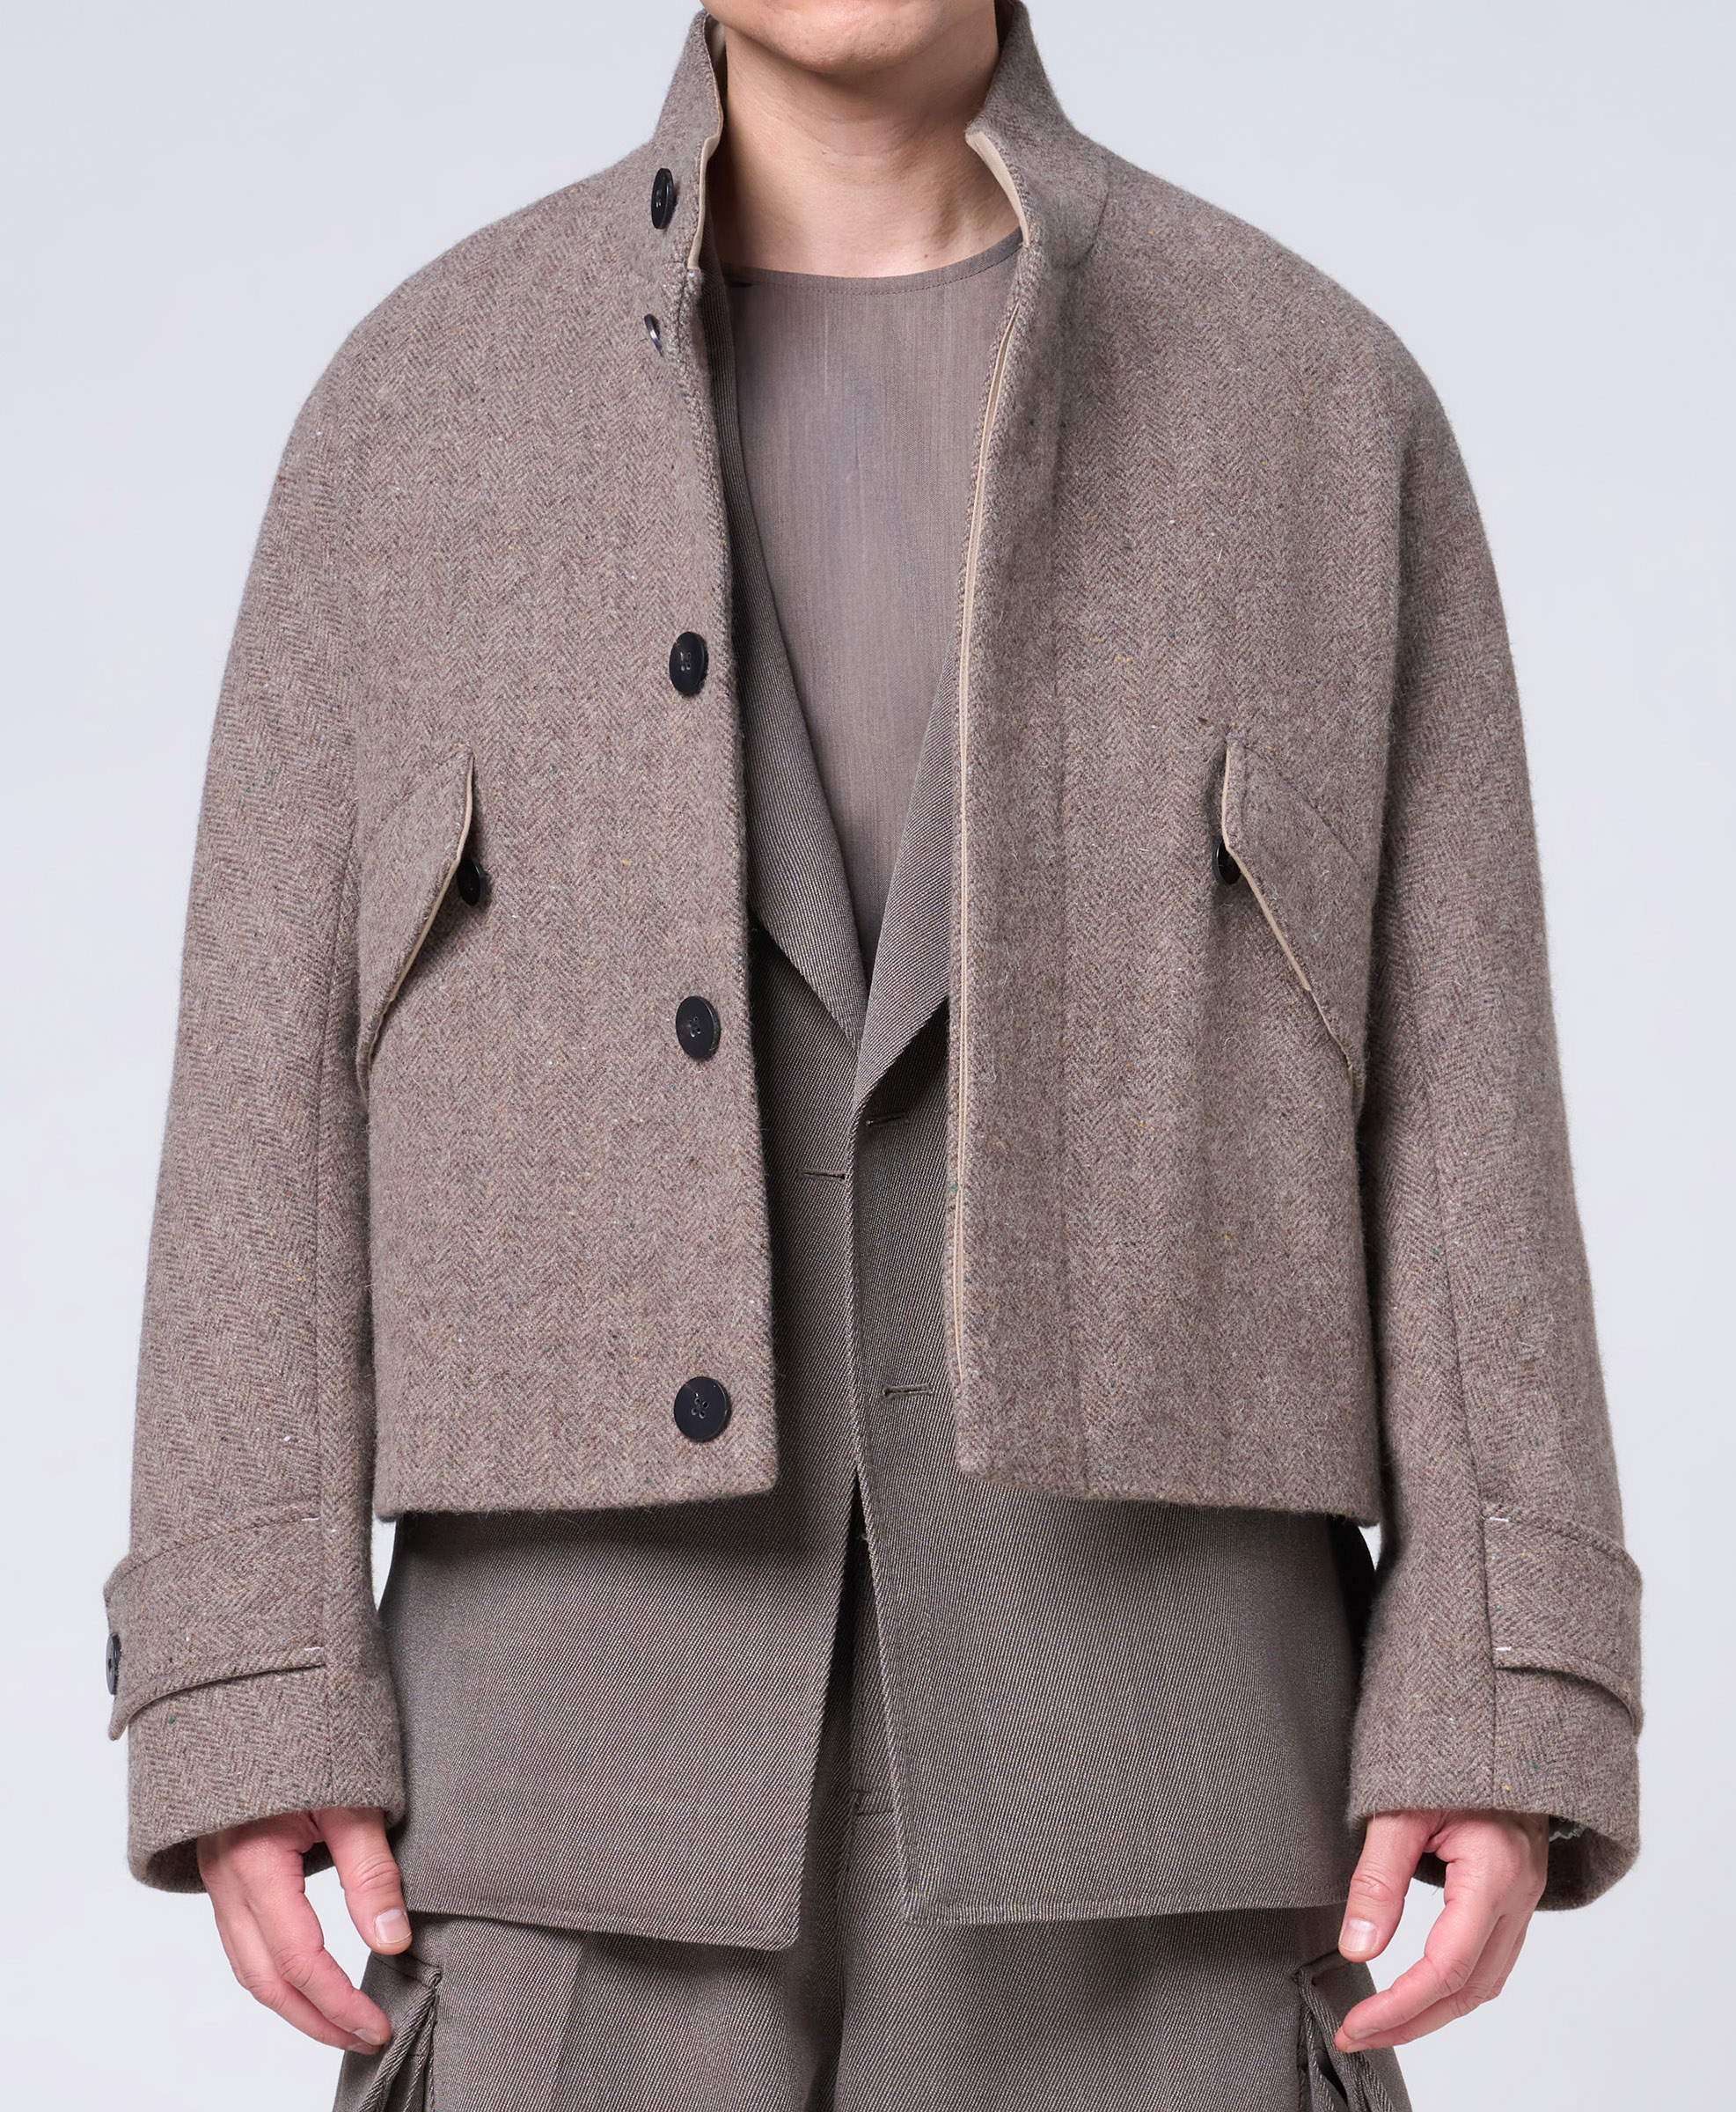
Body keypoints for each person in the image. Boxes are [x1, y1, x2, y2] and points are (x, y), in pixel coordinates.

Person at [105, 5, 1641, 2106]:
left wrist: (1501, 1678)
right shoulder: (414, 413)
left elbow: (1465, 1093)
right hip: (550, 1821)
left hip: (1172, 1816)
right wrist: (249, 1680)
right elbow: (264, 1095)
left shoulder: (1313, 406)